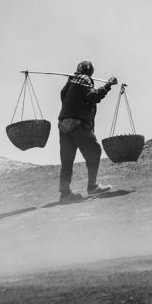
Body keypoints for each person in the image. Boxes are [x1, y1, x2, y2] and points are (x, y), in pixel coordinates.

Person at [57, 60, 117, 201]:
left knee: (67, 161)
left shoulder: (70, 82)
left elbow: (63, 96)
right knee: (94, 151)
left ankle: (64, 194)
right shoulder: (85, 79)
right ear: (90, 71)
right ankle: (92, 186)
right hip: (79, 125)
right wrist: (108, 85)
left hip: (64, 125)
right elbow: (92, 96)